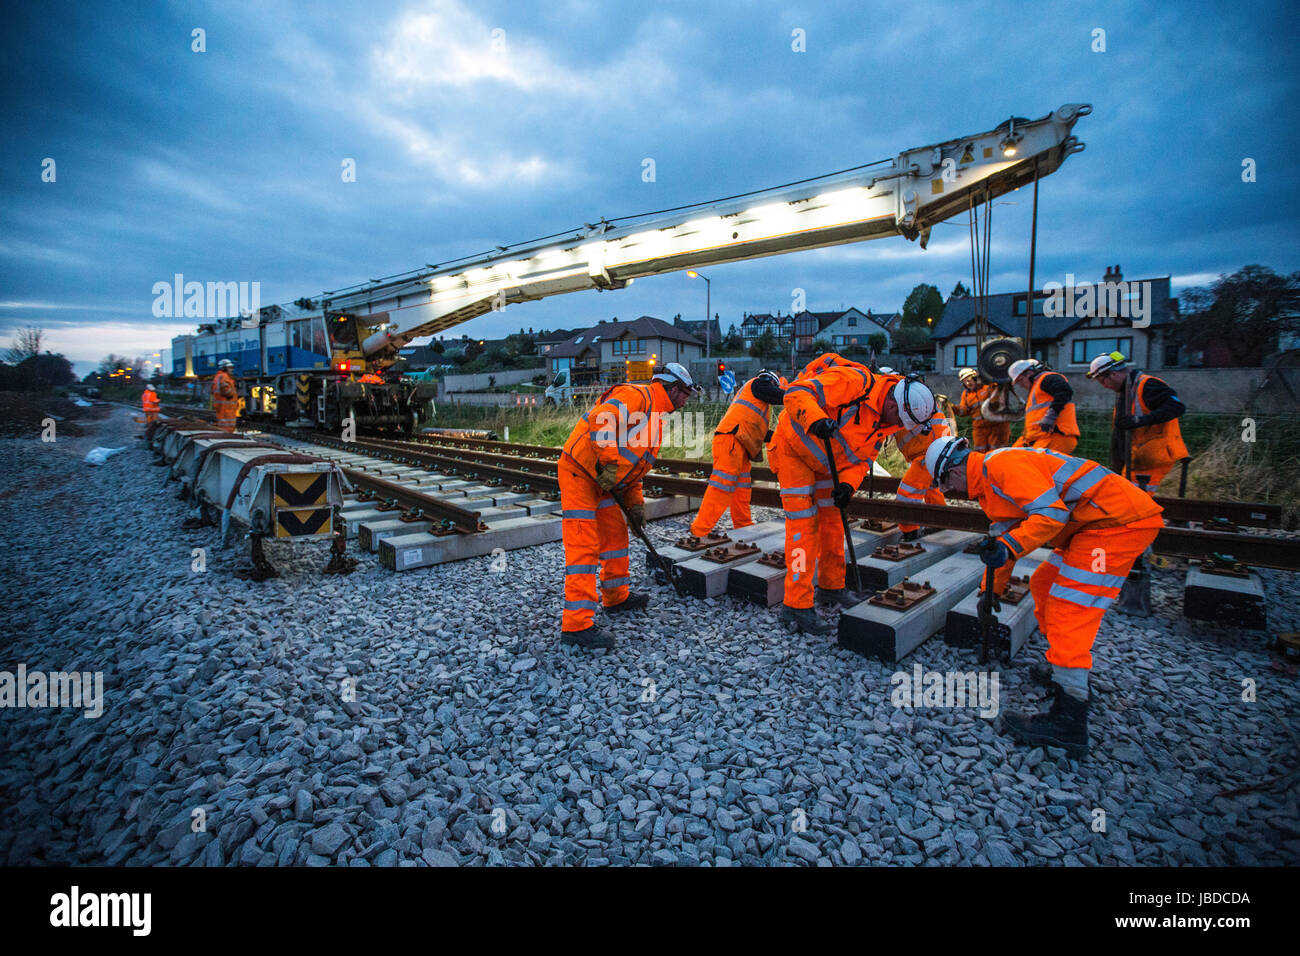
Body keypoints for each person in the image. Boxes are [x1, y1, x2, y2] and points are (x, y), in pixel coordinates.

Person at [925, 436, 1164, 756]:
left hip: (1116, 524)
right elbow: (1002, 543)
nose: (953, 495)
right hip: (1091, 527)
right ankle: (1064, 671)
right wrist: (989, 591)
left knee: (1070, 607)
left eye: (947, 488)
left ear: (952, 472)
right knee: (1044, 585)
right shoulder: (989, 488)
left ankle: (1070, 719)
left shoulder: (1001, 466)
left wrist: (1008, 547)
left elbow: (1052, 516)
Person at [770, 366, 936, 634]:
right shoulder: (855, 383)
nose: (898, 428)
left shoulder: (888, 420)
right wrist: (814, 420)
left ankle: (831, 587)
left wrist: (847, 485)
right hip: (792, 451)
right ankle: (796, 605)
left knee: (834, 521)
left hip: (827, 463)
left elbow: (862, 459)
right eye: (900, 419)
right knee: (802, 528)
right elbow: (797, 393)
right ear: (893, 403)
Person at [557, 362, 700, 650]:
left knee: (616, 537)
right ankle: (577, 625)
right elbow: (600, 421)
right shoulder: (637, 396)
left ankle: (615, 597)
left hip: (605, 482)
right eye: (685, 394)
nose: (686, 401)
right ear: (672, 389)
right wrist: (608, 466)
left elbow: (633, 469)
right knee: (584, 545)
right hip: (581, 472)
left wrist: (635, 505)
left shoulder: (655, 420)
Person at [690, 370, 786, 538]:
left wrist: (782, 436)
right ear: (771, 381)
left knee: (741, 488)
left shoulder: (757, 402)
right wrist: (796, 396)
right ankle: (700, 530)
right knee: (721, 487)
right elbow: (776, 395)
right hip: (731, 439)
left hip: (739, 443)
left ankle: (743, 525)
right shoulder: (758, 383)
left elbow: (759, 431)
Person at [1087, 351, 1188, 490]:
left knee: (1135, 503)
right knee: (1129, 498)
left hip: (1150, 457)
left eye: (1102, 380)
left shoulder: (1147, 385)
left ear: (1113, 374)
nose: (1104, 386)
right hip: (1137, 458)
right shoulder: (1127, 390)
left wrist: (1138, 420)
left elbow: (1176, 407)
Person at [892, 405, 951, 540]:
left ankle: (910, 530)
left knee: (907, 494)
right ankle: (940, 519)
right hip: (929, 454)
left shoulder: (910, 402)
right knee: (931, 488)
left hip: (926, 455)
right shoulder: (920, 402)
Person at [1008, 359, 1078, 454]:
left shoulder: (1047, 378)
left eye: (1020, 380)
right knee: (1010, 456)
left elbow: (1064, 391)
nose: (1021, 385)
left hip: (1056, 435)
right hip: (1039, 439)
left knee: (1033, 465)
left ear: (1029, 373)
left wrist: (1050, 416)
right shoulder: (1035, 389)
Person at [955, 367, 1010, 452]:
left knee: (996, 453)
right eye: (964, 381)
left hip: (996, 427)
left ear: (976, 378)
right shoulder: (966, 395)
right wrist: (951, 407)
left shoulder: (989, 387)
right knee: (980, 453)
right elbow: (963, 411)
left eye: (969, 379)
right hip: (979, 430)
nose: (967, 383)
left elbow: (999, 395)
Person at [211, 359, 239, 433]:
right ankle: (228, 436)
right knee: (228, 424)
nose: (231, 370)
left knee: (223, 422)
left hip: (222, 405)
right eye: (229, 368)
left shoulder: (218, 376)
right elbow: (225, 390)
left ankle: (225, 434)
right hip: (226, 405)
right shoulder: (224, 376)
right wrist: (232, 394)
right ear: (224, 368)